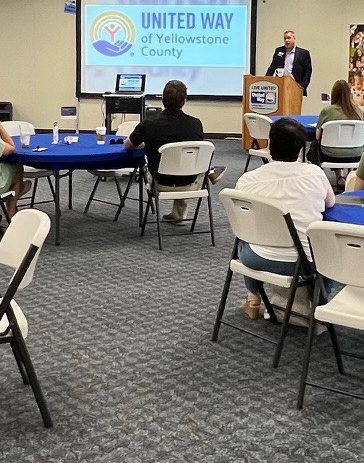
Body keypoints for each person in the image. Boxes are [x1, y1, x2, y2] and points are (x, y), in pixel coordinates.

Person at [232, 119, 337, 320]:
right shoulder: (315, 174)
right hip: (305, 261)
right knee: (329, 252)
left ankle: (253, 297)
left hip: (257, 257)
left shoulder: (247, 181)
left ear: (270, 145)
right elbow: (330, 204)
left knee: (244, 234)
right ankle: (319, 302)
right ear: (300, 150)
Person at [126, 80, 225, 223]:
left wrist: (147, 143)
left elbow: (129, 145)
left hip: (159, 184)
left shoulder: (148, 124)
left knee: (153, 165)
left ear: (162, 99)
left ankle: (207, 173)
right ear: (184, 101)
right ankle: (208, 174)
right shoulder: (196, 124)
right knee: (187, 161)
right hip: (190, 183)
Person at [316, 79, 364, 165]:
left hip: (329, 153)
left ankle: (338, 175)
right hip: (356, 153)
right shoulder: (359, 111)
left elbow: (317, 136)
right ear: (349, 94)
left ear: (334, 93)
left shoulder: (326, 111)